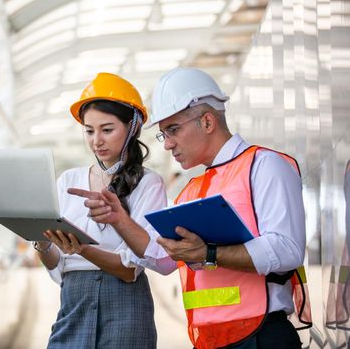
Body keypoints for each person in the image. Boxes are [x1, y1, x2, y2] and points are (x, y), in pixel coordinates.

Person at [69, 67, 312, 349]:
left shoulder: (264, 165)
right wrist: (119, 219)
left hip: (261, 335)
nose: (168, 144)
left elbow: (287, 250)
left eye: (173, 130)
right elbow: (163, 260)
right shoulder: (192, 190)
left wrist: (208, 253)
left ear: (207, 122)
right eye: (163, 135)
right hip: (211, 338)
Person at [32, 72, 172, 348]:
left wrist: (82, 248)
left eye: (107, 129)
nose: (96, 140)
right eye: (89, 130)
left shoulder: (148, 184)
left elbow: (129, 271)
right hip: (73, 301)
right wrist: (41, 241)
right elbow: (58, 265)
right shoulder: (67, 181)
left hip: (125, 306)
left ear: (132, 128)